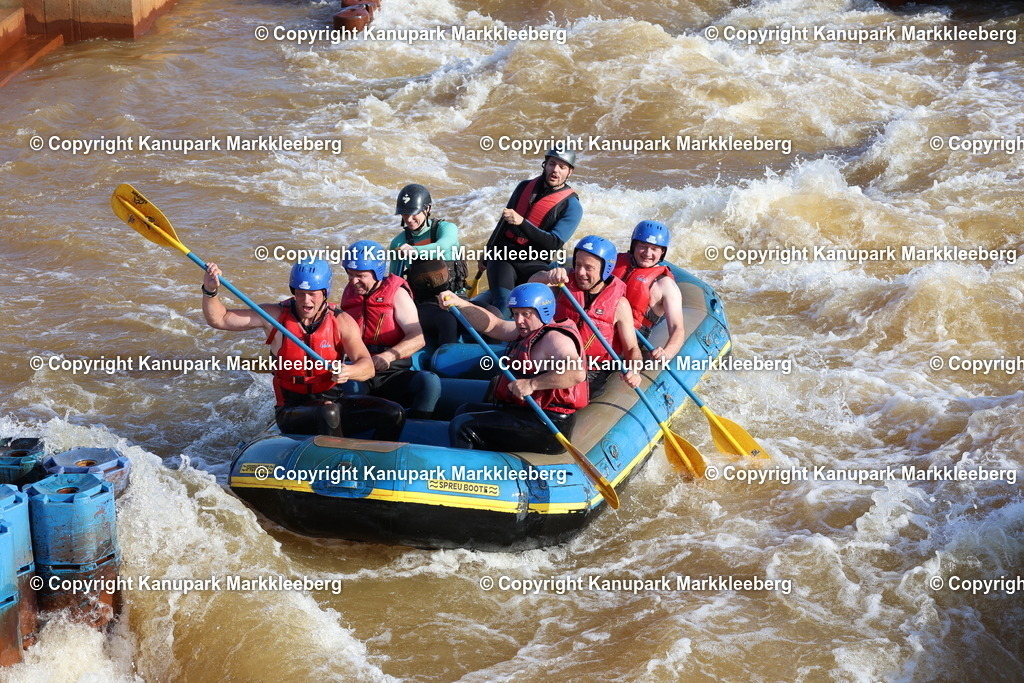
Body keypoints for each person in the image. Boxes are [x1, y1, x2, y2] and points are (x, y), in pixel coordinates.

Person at [201, 258, 405, 440]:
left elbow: (367, 367)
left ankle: (378, 464)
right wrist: (210, 291)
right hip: (291, 409)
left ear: (324, 293)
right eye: (300, 293)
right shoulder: (274, 316)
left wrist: (348, 371)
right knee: (329, 413)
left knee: (394, 413)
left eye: (312, 294)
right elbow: (220, 319)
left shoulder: (341, 320)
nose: (306, 301)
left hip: (332, 400)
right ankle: (337, 468)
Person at [438, 283, 588, 454]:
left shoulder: (555, 339)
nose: (519, 320)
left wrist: (532, 384)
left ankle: (464, 474)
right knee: (463, 410)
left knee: (463, 426)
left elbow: (577, 372)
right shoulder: (529, 330)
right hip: (525, 413)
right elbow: (493, 325)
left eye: (526, 314)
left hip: (548, 424)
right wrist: (459, 303)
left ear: (543, 311)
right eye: (515, 314)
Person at [530, 235, 642, 397]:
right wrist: (547, 276)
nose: (581, 272)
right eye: (578, 264)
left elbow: (632, 348)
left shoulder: (620, 305)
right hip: (551, 359)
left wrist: (634, 370)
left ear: (605, 270)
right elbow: (529, 287)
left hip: (589, 372)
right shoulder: (564, 282)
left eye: (589, 268)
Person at [340, 240, 442, 419]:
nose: (353, 282)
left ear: (377, 272)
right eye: (350, 274)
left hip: (392, 371)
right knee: (348, 386)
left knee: (429, 382)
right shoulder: (349, 293)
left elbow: (418, 338)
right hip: (360, 369)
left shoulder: (397, 293)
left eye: (360, 276)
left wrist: (387, 357)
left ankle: (415, 428)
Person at [481, 146, 583, 316]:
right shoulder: (524, 187)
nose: (555, 170)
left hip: (535, 264)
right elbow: (503, 223)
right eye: (552, 164)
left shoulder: (572, 206)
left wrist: (522, 223)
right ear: (545, 164)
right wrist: (488, 251)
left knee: (528, 309)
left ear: (569, 172)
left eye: (562, 167)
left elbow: (553, 244)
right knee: (505, 305)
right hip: (504, 256)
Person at [387, 183, 467, 347]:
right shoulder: (398, 242)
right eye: (404, 214)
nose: (408, 219)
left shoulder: (447, 229)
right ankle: (445, 366)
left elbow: (442, 247)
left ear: (427, 209)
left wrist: (414, 250)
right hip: (426, 304)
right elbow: (394, 282)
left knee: (491, 311)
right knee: (448, 320)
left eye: (413, 213)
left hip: (457, 296)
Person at [612, 221, 686, 361]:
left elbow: (677, 328)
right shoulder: (613, 262)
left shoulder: (666, 285)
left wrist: (667, 353)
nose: (647, 253)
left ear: (662, 252)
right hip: (596, 327)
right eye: (643, 246)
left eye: (654, 249)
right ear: (634, 246)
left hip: (626, 346)